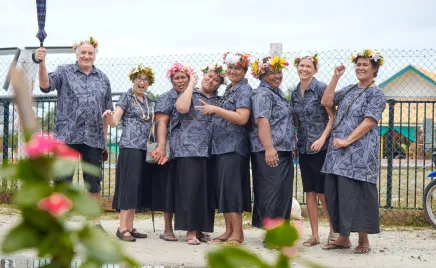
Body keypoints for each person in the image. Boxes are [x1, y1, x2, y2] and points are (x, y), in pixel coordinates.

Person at [36, 37, 112, 232]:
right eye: (83, 52)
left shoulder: (103, 78)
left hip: (93, 138)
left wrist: (105, 138)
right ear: (76, 54)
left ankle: (95, 222)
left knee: (93, 181)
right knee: (62, 180)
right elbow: (45, 86)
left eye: (90, 53)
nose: (86, 56)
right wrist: (41, 62)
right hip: (66, 136)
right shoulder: (64, 71)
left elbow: (107, 111)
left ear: (95, 55)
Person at [320, 49, 386, 254]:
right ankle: (343, 238)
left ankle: (363, 240)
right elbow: (326, 102)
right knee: (337, 192)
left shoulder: (376, 93)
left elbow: (369, 121)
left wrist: (348, 140)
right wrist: (335, 77)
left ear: (374, 68)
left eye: (365, 64)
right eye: (358, 64)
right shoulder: (349, 89)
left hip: (359, 152)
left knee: (357, 193)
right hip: (338, 151)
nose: (361, 68)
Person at [196, 53, 252, 245]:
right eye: (230, 68)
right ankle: (229, 231)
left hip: (234, 147)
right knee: (224, 190)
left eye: (237, 68)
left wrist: (215, 110)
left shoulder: (244, 90)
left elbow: (242, 117)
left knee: (232, 190)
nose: (233, 71)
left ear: (244, 71)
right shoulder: (230, 88)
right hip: (221, 147)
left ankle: (238, 233)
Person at [174, 64, 225, 245]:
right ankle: (190, 231)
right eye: (209, 77)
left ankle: (201, 229)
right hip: (188, 149)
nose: (211, 81)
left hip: (211, 151)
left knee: (205, 192)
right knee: (190, 190)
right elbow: (181, 108)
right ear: (203, 76)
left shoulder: (219, 100)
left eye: (216, 80)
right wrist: (191, 85)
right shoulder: (191, 93)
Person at [103, 65, 154, 242]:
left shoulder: (148, 100)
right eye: (138, 79)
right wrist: (109, 116)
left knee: (137, 187)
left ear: (149, 83)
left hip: (144, 148)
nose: (142, 82)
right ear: (133, 80)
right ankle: (122, 227)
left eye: (145, 80)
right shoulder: (126, 97)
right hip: (130, 147)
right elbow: (115, 121)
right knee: (129, 187)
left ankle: (130, 227)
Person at [291, 53, 337, 246]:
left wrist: (322, 138)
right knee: (309, 192)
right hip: (304, 148)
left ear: (315, 69)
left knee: (323, 192)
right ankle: (315, 234)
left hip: (321, 148)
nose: (304, 69)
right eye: (302, 66)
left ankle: (334, 232)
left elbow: (332, 117)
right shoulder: (294, 92)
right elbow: (295, 122)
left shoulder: (320, 88)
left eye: (308, 66)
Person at [249, 56, 296, 235]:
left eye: (279, 72)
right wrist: (269, 147)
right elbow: (262, 120)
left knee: (282, 192)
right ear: (262, 75)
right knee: (271, 192)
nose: (277, 76)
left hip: (282, 149)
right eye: (272, 73)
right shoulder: (263, 93)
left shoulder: (278, 92)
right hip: (269, 150)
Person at [151, 63, 194, 242]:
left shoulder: (193, 94)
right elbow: (161, 122)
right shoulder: (166, 97)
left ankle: (192, 228)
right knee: (169, 187)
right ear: (171, 81)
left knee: (188, 189)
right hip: (170, 148)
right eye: (176, 78)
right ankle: (168, 229)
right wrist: (161, 146)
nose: (180, 80)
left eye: (183, 77)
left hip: (190, 149)